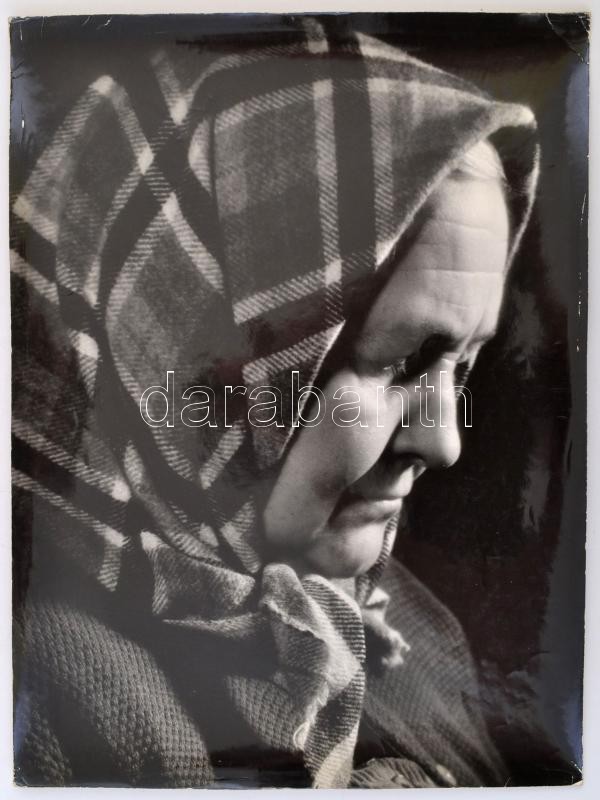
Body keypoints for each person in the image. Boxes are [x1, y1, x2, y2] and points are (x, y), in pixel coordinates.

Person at [11, 20, 538, 788]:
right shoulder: (43, 699)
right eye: (399, 362)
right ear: (189, 345)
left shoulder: (414, 633)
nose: (443, 443)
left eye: (462, 364)